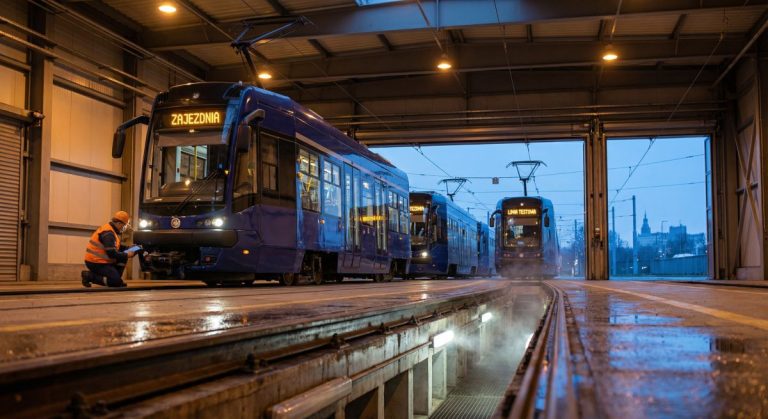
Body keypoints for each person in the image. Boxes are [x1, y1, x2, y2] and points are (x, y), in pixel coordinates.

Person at [81, 211, 136, 288]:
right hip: (96, 262)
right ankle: (89, 276)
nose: (124, 228)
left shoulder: (112, 231)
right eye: (124, 225)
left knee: (123, 258)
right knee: (115, 282)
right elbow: (111, 253)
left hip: (101, 261)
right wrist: (127, 254)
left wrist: (130, 248)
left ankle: (116, 280)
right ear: (119, 223)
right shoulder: (108, 233)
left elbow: (117, 248)